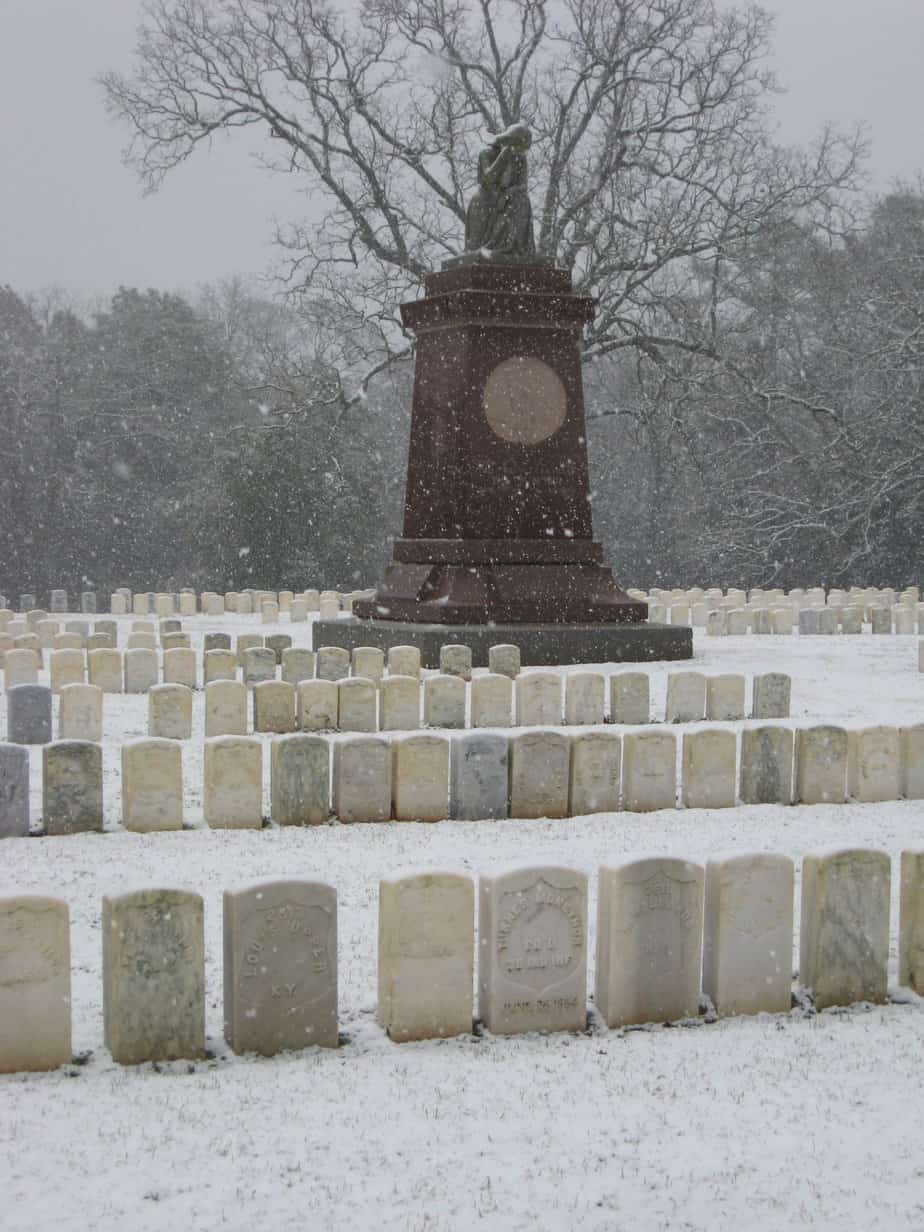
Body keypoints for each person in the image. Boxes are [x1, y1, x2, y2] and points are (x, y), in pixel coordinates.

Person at [464, 123, 536, 258]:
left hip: (509, 198)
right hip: (485, 200)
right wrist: (505, 152)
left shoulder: (520, 158)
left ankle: (513, 247)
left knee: (522, 200)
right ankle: (493, 248)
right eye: (520, 146)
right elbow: (488, 178)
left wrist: (509, 193)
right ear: (513, 141)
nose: (522, 151)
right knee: (475, 252)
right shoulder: (487, 153)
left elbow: (523, 185)